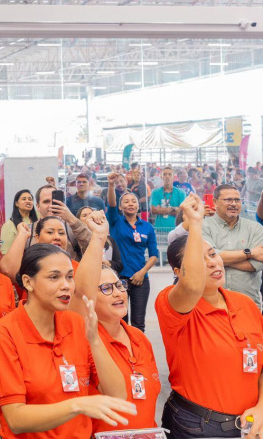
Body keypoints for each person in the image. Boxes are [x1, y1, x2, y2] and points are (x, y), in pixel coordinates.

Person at [0, 243, 136, 439]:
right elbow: (15, 419)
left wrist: (95, 341)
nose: (66, 285)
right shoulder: (5, 332)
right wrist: (78, 405)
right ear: (28, 282)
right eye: (54, 277)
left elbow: (117, 394)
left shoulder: (75, 323)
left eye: (69, 277)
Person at [158, 198, 263, 438]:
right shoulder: (173, 305)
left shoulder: (245, 304)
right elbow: (192, 285)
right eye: (200, 259)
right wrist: (196, 225)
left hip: (248, 425)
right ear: (178, 272)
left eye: (213, 254)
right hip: (197, 426)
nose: (213, 263)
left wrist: (261, 408)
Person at [75, 208, 161, 433]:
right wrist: (98, 237)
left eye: (119, 285)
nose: (117, 293)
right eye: (105, 288)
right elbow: (81, 291)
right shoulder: (85, 338)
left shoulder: (139, 338)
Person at [105, 173, 158, 332]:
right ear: (120, 207)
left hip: (140, 280)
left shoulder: (147, 227)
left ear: (138, 206)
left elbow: (154, 255)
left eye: (133, 201)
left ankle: (138, 348)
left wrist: (142, 272)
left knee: (138, 324)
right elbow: (111, 204)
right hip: (118, 278)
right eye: (126, 201)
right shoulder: (115, 221)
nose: (130, 204)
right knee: (120, 321)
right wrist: (111, 185)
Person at [203, 184, 263, 307]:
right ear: (215, 202)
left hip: (248, 304)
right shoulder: (202, 227)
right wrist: (249, 253)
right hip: (213, 305)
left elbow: (257, 264)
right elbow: (205, 259)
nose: (234, 204)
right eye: (228, 200)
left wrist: (219, 258)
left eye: (237, 200)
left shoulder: (255, 228)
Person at [77, 206, 123, 274]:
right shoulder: (76, 240)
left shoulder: (109, 240)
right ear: (78, 220)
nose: (89, 217)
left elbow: (119, 265)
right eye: (84, 215)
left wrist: (108, 263)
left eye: (91, 214)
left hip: (108, 277)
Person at [0, 189, 37, 257]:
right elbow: (6, 252)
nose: (28, 201)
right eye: (24, 199)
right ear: (16, 203)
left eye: (30, 199)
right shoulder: (9, 225)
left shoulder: (38, 219)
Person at [151, 167, 187, 231]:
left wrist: (161, 209)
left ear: (173, 177)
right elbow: (154, 210)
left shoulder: (181, 193)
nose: (167, 176)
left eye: (170, 174)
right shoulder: (155, 192)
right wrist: (173, 209)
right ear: (161, 177)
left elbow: (183, 212)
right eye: (164, 174)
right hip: (160, 229)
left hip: (177, 230)